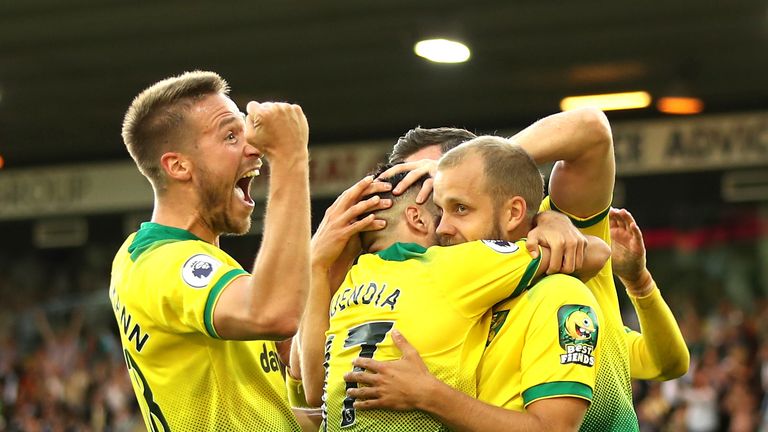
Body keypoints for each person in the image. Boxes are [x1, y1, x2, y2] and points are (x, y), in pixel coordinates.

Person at [363, 109, 688, 430]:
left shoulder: (564, 240)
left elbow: (591, 130)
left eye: (454, 200)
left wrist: (482, 167)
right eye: (433, 204)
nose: (441, 223)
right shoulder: (430, 299)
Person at [303, 146, 611, 431]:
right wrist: (549, 223)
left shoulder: (351, 284)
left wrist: (317, 266)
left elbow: (313, 390)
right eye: (440, 212)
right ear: (416, 218)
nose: (443, 228)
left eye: (460, 209)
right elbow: (596, 252)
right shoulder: (454, 267)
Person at [110, 70, 310, 431]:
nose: (253, 147)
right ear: (178, 165)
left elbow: (267, 416)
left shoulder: (208, 265)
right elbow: (274, 313)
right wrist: (290, 157)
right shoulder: (162, 263)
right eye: (230, 136)